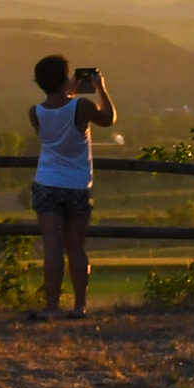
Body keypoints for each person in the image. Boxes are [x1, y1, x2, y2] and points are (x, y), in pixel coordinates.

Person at [28, 55, 114, 320]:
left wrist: (67, 89)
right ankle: (80, 306)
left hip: (46, 183)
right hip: (76, 185)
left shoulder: (35, 113)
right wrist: (101, 87)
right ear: (66, 78)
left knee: (52, 247)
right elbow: (109, 118)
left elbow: (56, 113)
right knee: (75, 247)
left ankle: (51, 307)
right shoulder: (82, 107)